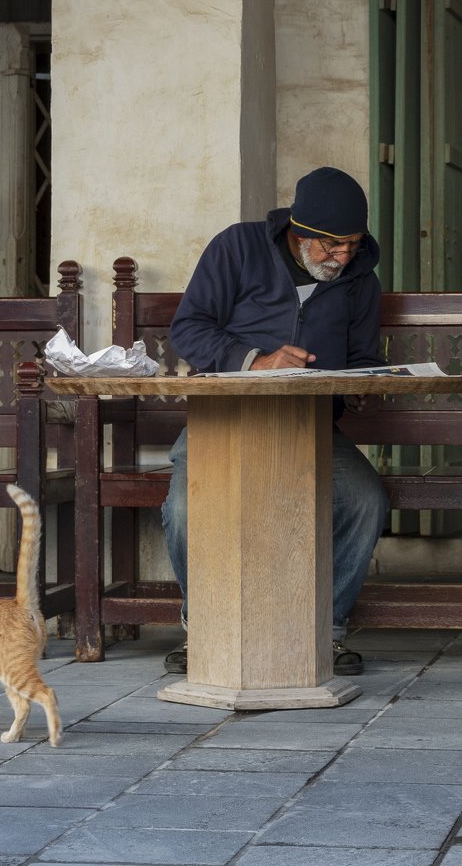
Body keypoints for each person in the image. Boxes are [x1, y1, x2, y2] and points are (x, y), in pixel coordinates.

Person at [160, 166, 390, 676]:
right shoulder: (237, 249)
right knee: (184, 510)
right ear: (298, 233)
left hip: (307, 429)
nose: (343, 257)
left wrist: (365, 389)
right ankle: (205, 629)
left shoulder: (359, 281)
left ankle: (324, 631)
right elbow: (189, 328)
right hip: (224, 422)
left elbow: (361, 359)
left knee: (365, 499)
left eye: (352, 245)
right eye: (331, 247)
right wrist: (254, 360)